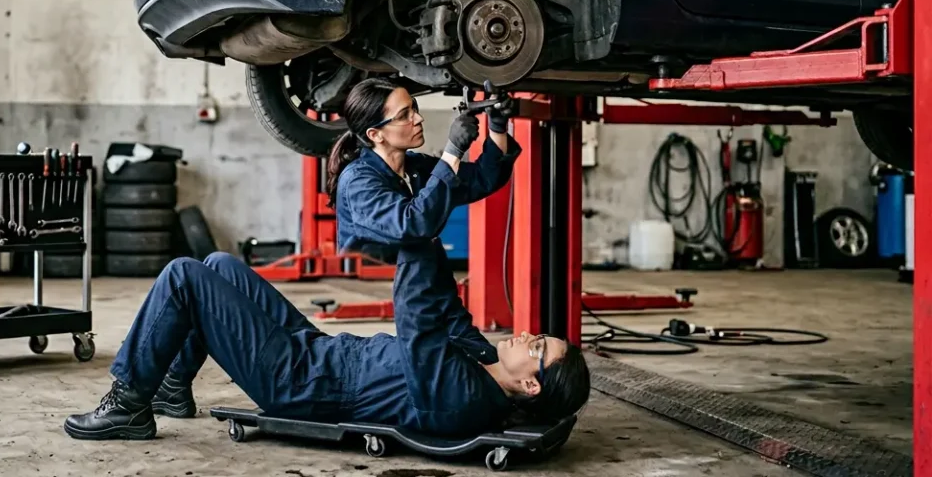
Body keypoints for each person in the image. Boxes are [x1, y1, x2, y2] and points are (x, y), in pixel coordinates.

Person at [64, 79, 590, 441]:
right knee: (220, 265)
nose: (527, 333)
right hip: (320, 356)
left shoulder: (462, 395)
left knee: (184, 275)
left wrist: (472, 153)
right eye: (406, 112)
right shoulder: (366, 181)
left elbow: (420, 310)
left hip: (300, 383)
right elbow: (442, 297)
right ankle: (173, 388)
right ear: (375, 134)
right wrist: (486, 136)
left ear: (530, 385)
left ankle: (128, 405)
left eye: (537, 346)